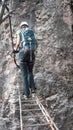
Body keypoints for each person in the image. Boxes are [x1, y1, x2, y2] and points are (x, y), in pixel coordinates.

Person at [14, 21, 36, 99]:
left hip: (22, 54)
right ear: (27, 25)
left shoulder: (19, 31)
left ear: (21, 26)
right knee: (30, 72)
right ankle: (33, 89)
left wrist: (15, 49)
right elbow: (35, 44)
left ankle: (27, 94)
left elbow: (17, 43)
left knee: (24, 75)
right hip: (31, 54)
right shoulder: (31, 32)